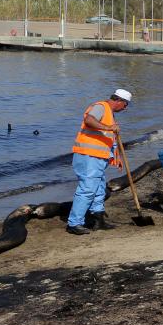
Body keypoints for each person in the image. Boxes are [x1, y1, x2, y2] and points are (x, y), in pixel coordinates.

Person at [67, 88, 132, 235]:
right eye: (126, 104)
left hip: (97, 158)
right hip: (87, 156)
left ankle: (98, 220)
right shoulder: (101, 107)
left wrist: (116, 157)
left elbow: (108, 138)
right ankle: (74, 223)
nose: (126, 108)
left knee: (99, 189)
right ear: (119, 101)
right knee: (88, 189)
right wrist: (109, 127)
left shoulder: (110, 114)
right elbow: (89, 120)